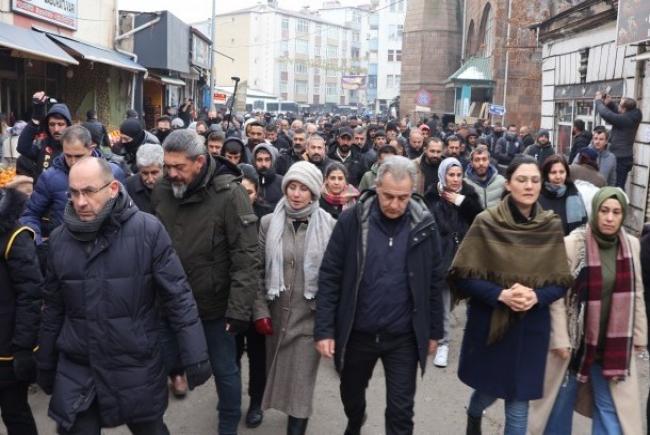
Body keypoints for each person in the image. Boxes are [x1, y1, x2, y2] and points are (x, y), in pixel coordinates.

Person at [36, 157, 211, 435]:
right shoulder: (59, 240)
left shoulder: (148, 231)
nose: (80, 202)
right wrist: (45, 363)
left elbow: (178, 296)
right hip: (79, 369)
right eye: (74, 193)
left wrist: (195, 354)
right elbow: (54, 308)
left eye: (89, 191)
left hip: (136, 366)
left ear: (113, 188)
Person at [316, 156, 445, 435]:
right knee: (351, 395)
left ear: (412, 192)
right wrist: (325, 329)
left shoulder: (425, 225)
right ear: (376, 188)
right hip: (358, 333)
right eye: (388, 196)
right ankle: (355, 419)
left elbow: (434, 281)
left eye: (403, 198)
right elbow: (330, 275)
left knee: (401, 411)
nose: (395, 204)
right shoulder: (352, 221)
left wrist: (435, 331)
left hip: (403, 336)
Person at [448, 155, 572, 435]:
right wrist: (500, 295)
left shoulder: (550, 225)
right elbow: (462, 275)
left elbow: (561, 281)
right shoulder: (486, 222)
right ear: (508, 184)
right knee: (487, 392)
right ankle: (474, 413)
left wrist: (537, 296)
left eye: (535, 180)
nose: (529, 186)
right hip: (491, 326)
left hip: (531, 328)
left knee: (518, 403)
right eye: (522, 180)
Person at [152, 130, 258, 435]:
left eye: (179, 167)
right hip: (169, 303)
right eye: (167, 166)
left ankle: (228, 425)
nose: (171, 174)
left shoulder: (231, 195)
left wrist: (239, 310)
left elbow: (246, 256)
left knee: (225, 370)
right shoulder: (162, 189)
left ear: (199, 162)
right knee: (155, 367)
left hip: (215, 307)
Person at [530, 187, 647, 435]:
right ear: (595, 211)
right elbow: (557, 297)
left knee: (610, 408)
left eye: (616, 212)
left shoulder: (631, 246)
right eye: (604, 211)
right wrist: (560, 338)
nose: (609, 218)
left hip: (612, 344)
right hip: (575, 345)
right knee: (560, 405)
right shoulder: (573, 245)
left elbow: (636, 292)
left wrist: (639, 333)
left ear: (623, 215)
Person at [254, 161, 336, 435]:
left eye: (303, 188)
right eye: (292, 187)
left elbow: (334, 278)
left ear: (313, 193)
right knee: (275, 376)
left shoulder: (329, 227)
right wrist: (260, 310)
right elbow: (256, 270)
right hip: (275, 316)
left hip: (309, 320)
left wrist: (329, 323)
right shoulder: (268, 223)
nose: (296, 194)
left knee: (301, 387)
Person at [21, 125, 126, 243]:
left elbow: (124, 213)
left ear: (91, 149)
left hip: (106, 244)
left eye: (78, 156)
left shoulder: (113, 173)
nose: (73, 162)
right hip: (65, 246)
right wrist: (37, 241)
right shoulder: (49, 178)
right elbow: (30, 214)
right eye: (68, 156)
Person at [424, 158, 482, 368]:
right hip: (441, 256)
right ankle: (443, 343)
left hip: (466, 255)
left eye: (459, 175)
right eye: (451, 175)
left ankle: (477, 342)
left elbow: (480, 217)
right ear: (443, 175)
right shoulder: (431, 196)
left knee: (471, 300)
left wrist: (461, 201)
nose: (456, 179)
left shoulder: (469, 194)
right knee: (443, 300)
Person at [0, 184, 42, 435]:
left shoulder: (15, 237)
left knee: (15, 412)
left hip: (7, 350)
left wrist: (24, 348)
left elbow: (31, 296)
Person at [17, 91, 72, 181]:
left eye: (61, 124)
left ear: (68, 125)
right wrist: (36, 117)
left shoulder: (74, 148)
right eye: (52, 124)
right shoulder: (43, 145)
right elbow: (22, 148)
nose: (56, 129)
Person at [594, 92, 642, 188]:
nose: (618, 106)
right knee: (616, 185)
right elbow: (618, 112)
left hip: (620, 159)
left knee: (616, 187)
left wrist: (598, 101)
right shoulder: (633, 114)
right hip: (624, 157)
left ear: (625, 109)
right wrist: (610, 103)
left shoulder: (626, 120)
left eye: (620, 104)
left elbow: (607, 114)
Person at [538, 155, 588, 235]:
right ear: (546, 174)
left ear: (566, 173)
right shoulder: (538, 197)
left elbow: (583, 225)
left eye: (561, 172)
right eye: (553, 172)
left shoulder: (575, 195)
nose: (558, 177)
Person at [125, 143, 163, 215]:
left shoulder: (173, 183)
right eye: (145, 173)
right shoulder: (128, 187)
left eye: (154, 173)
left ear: (163, 168)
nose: (150, 179)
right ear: (139, 170)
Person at [253, 143, 284, 212]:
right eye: (259, 160)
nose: (263, 164)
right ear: (254, 161)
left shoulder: (282, 182)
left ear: (272, 161)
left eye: (267, 160)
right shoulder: (250, 182)